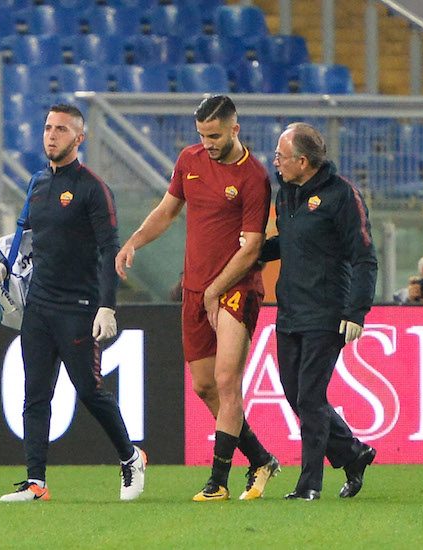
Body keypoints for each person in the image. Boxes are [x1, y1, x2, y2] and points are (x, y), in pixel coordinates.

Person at [115, 95, 279, 502]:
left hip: (236, 288)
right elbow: (167, 211)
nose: (208, 143)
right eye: (203, 135)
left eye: (215, 136)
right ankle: (260, 459)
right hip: (195, 289)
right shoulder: (189, 160)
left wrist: (215, 289)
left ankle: (217, 481)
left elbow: (251, 248)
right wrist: (134, 241)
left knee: (226, 381)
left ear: (234, 129)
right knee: (205, 386)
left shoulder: (254, 177)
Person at [0, 104, 146, 503]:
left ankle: (131, 457)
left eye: (61, 129)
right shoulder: (37, 183)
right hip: (39, 305)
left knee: (89, 390)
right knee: (35, 394)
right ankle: (36, 482)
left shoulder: (93, 188)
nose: (51, 135)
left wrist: (107, 306)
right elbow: (25, 237)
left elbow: (110, 248)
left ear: (80, 138)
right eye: (48, 127)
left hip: (79, 306)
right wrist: (2, 268)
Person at [260, 122, 377, 501]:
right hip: (290, 311)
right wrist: (253, 252)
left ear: (303, 161)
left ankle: (309, 484)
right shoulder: (286, 194)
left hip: (327, 313)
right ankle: (353, 453)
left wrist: (356, 312)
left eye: (281, 156)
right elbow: (290, 242)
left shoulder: (342, 195)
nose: (275, 162)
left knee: (310, 397)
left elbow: (364, 257)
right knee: (295, 394)